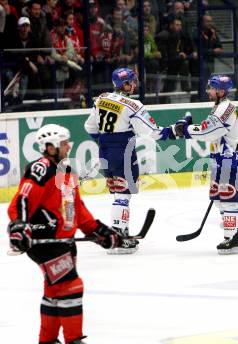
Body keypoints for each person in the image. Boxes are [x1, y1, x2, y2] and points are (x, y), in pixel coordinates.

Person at [7, 124, 120, 344]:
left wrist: (99, 231)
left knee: (54, 290)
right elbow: (22, 199)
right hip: (44, 241)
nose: (68, 147)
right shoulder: (41, 168)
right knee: (70, 285)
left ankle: (47, 340)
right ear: (50, 147)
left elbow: (74, 210)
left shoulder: (66, 173)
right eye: (64, 143)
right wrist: (19, 226)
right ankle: (74, 339)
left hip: (63, 242)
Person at [84, 68, 175, 254]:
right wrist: (174, 131)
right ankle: (119, 236)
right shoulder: (133, 105)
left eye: (133, 81)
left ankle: (119, 232)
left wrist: (104, 142)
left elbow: (90, 126)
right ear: (121, 84)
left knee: (119, 192)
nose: (133, 85)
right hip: (123, 150)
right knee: (123, 194)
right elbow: (152, 132)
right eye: (129, 82)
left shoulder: (101, 99)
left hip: (105, 149)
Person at [173, 75, 238, 254]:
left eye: (212, 88)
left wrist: (186, 129)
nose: (209, 91)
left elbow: (208, 132)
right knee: (218, 200)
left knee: (228, 200)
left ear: (221, 91)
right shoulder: (218, 107)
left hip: (231, 160)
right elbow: (210, 130)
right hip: (221, 160)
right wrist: (190, 128)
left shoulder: (225, 108)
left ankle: (232, 238)